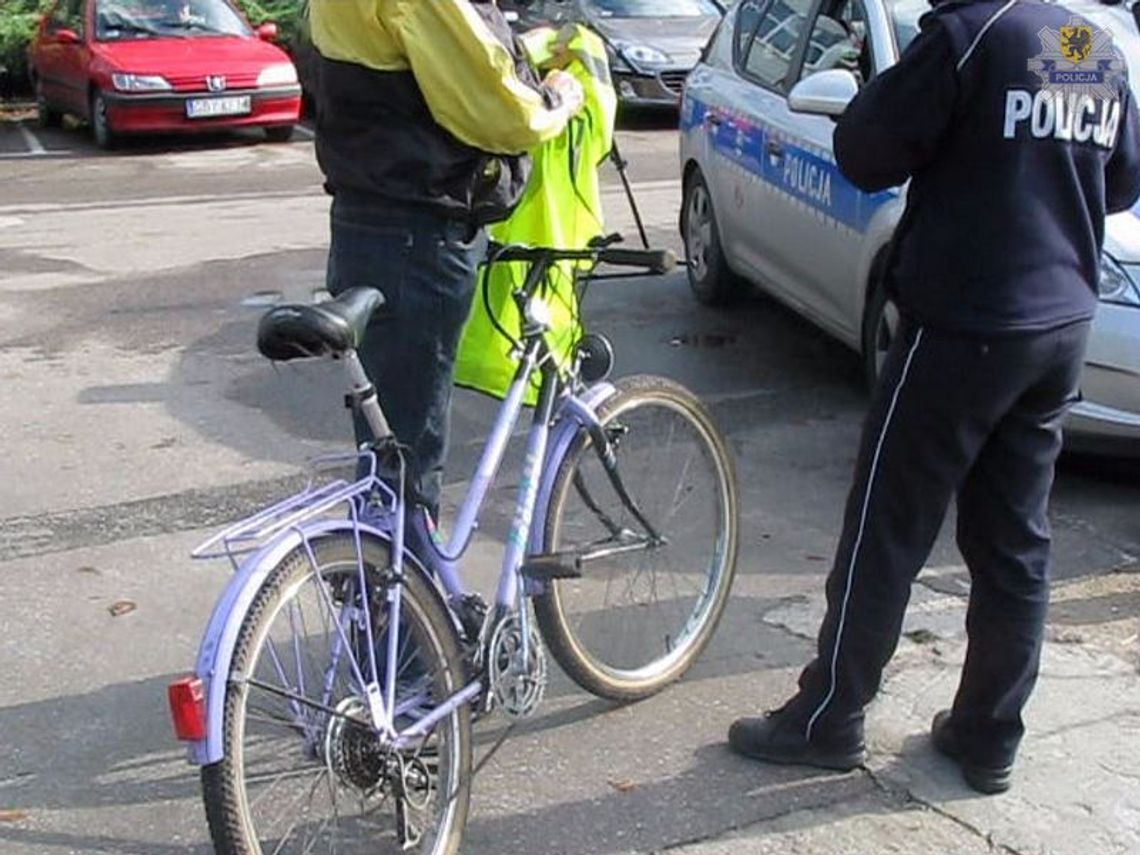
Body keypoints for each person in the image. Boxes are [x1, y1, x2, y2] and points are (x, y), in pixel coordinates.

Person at [728, 0, 1140, 795]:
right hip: (1059, 325)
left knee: (886, 524)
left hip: (964, 324)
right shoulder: (1087, 44)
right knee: (1015, 537)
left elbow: (863, 150)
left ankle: (828, 717)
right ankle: (989, 733)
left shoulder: (968, 36)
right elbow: (1122, 180)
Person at [307, 0, 583, 521]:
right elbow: (500, 111)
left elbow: (425, 59)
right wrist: (559, 99)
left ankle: (375, 563)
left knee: (385, 453)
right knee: (410, 466)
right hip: (421, 233)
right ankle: (404, 569)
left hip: (360, 218)